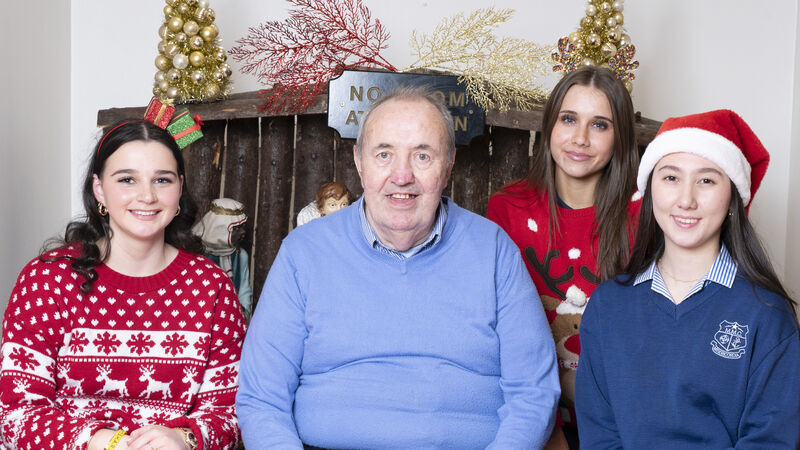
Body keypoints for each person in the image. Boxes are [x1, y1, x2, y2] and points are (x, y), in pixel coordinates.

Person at [237, 86, 560, 449]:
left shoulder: (494, 251)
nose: (401, 175)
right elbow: (262, 399)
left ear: (449, 163)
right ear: (359, 161)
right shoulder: (303, 253)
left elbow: (533, 394)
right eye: (384, 154)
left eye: (422, 156)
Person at [0, 120, 245, 449]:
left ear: (179, 189)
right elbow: (16, 415)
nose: (147, 196)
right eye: (127, 179)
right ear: (99, 189)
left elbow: (231, 413)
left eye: (162, 180)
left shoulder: (211, 286)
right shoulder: (46, 280)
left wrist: (186, 437)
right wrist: (106, 442)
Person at [575, 109, 800, 448]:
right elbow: (599, 434)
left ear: (732, 200)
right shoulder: (608, 306)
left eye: (706, 180)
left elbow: (770, 440)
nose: (686, 200)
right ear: (650, 190)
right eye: (671, 178)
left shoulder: (767, 313)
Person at [486, 66, 639, 449]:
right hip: (532, 410)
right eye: (569, 119)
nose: (580, 138)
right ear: (550, 125)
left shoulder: (644, 216)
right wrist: (545, 426)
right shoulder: (509, 208)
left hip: (623, 413)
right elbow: (497, 330)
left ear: (620, 137)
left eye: (600, 125)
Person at [192, 198, 253, 321]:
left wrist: (242, 314)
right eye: (237, 229)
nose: (243, 232)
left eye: (242, 227)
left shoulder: (240, 256)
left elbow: (244, 290)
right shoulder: (195, 254)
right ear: (221, 230)